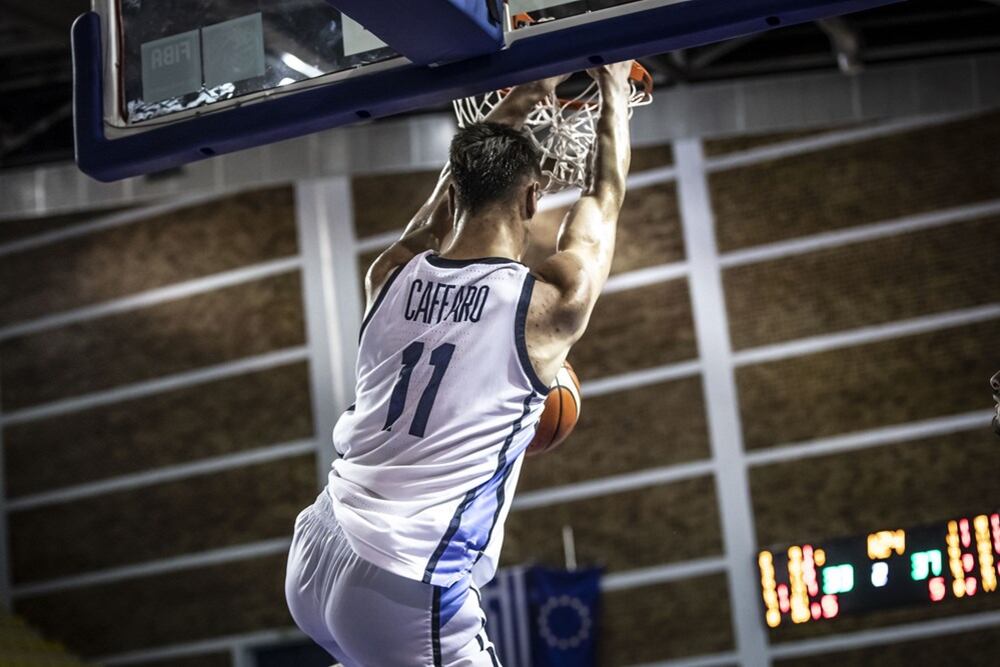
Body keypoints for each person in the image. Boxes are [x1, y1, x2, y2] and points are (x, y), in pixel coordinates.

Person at [285, 61, 634, 667]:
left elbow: (447, 192)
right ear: (532, 196)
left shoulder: (390, 273)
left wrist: (528, 92)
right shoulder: (545, 306)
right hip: (402, 579)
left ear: (458, 191)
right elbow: (603, 200)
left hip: (316, 548)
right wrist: (613, 83)